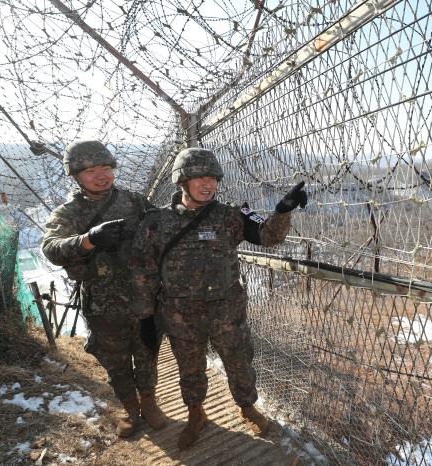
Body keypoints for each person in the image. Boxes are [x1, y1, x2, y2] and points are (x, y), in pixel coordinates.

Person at [131, 147, 307, 450]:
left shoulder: (231, 216)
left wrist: (282, 212)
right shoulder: (156, 223)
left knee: (239, 361)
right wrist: (146, 315)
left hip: (227, 312)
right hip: (180, 316)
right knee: (190, 368)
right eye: (199, 177)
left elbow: (268, 237)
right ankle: (196, 414)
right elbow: (143, 271)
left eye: (212, 178)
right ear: (182, 182)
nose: (207, 184)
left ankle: (248, 407)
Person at [41, 139, 169, 438]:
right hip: (102, 304)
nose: (101, 175)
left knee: (147, 353)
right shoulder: (68, 213)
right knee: (116, 360)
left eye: (106, 168)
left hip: (145, 299)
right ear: (75, 175)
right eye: (90, 171)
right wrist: (88, 239)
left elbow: (163, 230)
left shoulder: (135, 202)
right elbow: (51, 248)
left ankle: (149, 402)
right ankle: (129, 408)